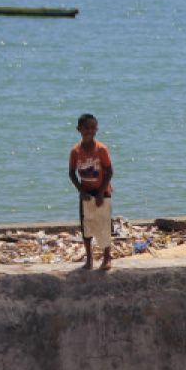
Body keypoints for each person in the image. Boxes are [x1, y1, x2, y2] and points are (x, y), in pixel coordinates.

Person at [69, 113, 114, 271]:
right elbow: (71, 173)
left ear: (96, 129)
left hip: (103, 192)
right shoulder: (75, 151)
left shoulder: (101, 149)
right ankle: (89, 260)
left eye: (93, 128)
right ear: (79, 129)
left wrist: (101, 192)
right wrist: (81, 191)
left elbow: (109, 171)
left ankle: (107, 258)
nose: (90, 131)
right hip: (86, 194)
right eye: (86, 128)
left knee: (104, 225)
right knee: (87, 227)